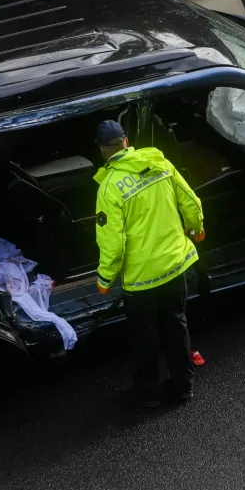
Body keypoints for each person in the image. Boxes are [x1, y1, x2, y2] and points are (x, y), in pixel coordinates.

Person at [92, 119, 205, 409]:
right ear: (126, 141)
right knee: (176, 324)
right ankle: (183, 387)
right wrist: (197, 228)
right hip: (176, 264)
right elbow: (191, 202)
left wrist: (105, 280)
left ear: (103, 151)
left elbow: (113, 244)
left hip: (142, 279)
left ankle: (148, 391)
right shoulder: (159, 163)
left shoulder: (109, 189)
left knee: (146, 336)